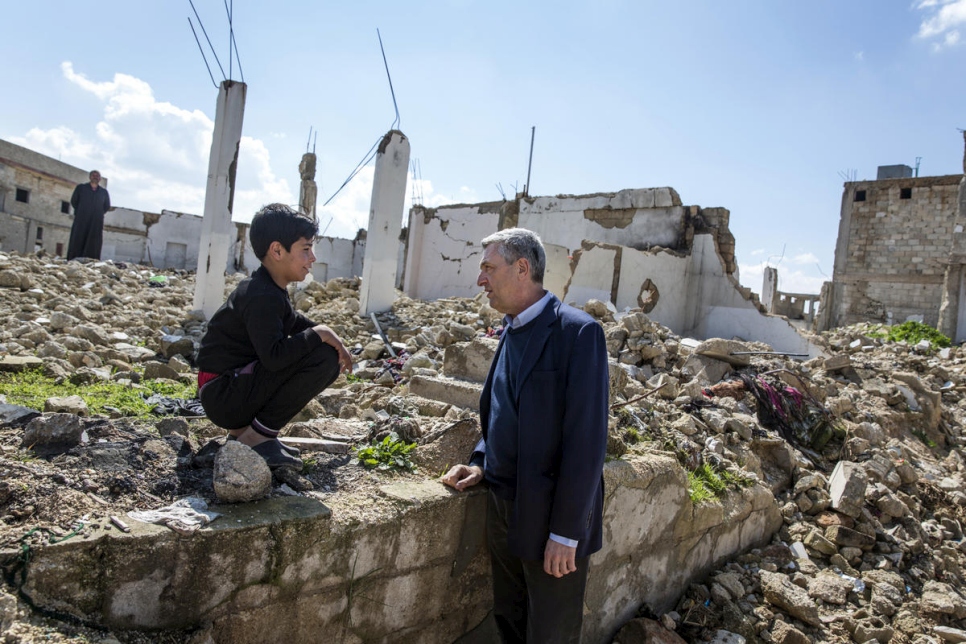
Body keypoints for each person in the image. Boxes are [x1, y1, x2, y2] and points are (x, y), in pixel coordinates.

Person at [441, 228, 609, 643]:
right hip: (503, 508)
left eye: (488, 268)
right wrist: (481, 461)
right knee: (509, 623)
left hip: (552, 518)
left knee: (551, 633)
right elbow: (503, 409)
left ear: (522, 269)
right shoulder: (510, 328)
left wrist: (566, 533)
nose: (481, 279)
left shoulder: (578, 334)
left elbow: (586, 442)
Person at [196, 203, 353, 468]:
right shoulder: (262, 296)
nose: (312, 257)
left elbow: (296, 324)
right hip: (223, 395)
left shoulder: (269, 290)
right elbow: (275, 358)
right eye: (305, 249)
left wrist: (330, 336)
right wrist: (323, 334)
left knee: (322, 347)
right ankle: (255, 439)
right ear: (277, 250)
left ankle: (245, 435)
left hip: (226, 390)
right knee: (323, 358)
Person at [67, 170, 111, 260]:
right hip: (82, 219)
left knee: (94, 241)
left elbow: (106, 206)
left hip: (96, 221)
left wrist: (97, 213)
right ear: (90, 177)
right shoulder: (81, 188)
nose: (95, 177)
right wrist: (82, 211)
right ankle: (74, 258)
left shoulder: (103, 192)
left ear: (100, 179)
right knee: (78, 237)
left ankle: (92, 260)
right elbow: (74, 201)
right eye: (93, 175)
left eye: (97, 176)